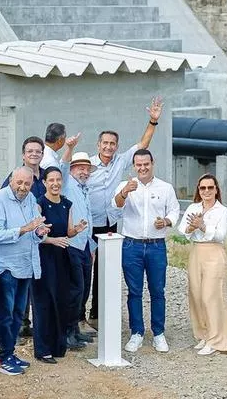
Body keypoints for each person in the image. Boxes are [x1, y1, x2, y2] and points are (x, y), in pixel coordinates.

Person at [86, 97, 163, 323]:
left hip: (110, 222)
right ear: (98, 145)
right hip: (89, 223)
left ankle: (97, 314)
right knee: (83, 269)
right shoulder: (87, 165)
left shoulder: (120, 161)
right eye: (105, 143)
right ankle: (78, 315)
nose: (108, 147)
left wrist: (153, 121)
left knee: (105, 269)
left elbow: (143, 145)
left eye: (112, 144)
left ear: (116, 147)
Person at [114, 148, 181, 353]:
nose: (142, 168)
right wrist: (125, 192)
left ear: (153, 163)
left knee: (157, 290)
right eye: (138, 165)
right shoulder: (125, 186)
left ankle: (158, 333)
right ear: (134, 166)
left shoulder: (165, 187)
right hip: (131, 245)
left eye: (146, 164)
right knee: (134, 291)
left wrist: (167, 221)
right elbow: (115, 207)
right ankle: (137, 332)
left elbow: (174, 210)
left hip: (156, 246)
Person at [0, 167, 49, 375]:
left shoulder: (31, 198)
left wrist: (40, 231)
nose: (23, 188)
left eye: (27, 184)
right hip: (6, 267)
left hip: (25, 265)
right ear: (11, 181)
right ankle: (3, 358)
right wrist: (25, 228)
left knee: (17, 314)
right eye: (19, 183)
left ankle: (10, 352)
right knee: (6, 314)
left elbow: (34, 231)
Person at [32, 167, 87, 363]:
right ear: (45, 183)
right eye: (51, 180)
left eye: (58, 180)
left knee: (61, 301)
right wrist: (52, 240)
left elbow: (68, 231)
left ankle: (57, 345)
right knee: (43, 303)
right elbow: (37, 234)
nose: (55, 183)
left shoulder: (66, 204)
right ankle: (43, 349)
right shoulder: (39, 204)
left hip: (63, 256)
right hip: (45, 257)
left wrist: (77, 230)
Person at [179, 174, 227, 356]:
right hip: (196, 252)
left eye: (210, 188)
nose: (207, 191)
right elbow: (183, 230)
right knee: (196, 295)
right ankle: (204, 333)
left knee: (211, 296)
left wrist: (202, 226)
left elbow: (220, 235)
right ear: (198, 190)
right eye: (203, 188)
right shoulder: (194, 207)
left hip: (214, 253)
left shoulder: (222, 211)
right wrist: (192, 227)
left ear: (216, 189)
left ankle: (217, 339)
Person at [57, 150, 98, 345]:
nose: (84, 172)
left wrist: (91, 246)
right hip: (72, 243)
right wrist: (69, 148)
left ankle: (74, 328)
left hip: (84, 245)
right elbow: (62, 168)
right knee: (74, 289)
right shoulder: (66, 184)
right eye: (80, 168)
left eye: (87, 168)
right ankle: (67, 332)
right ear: (72, 169)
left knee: (83, 290)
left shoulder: (83, 188)